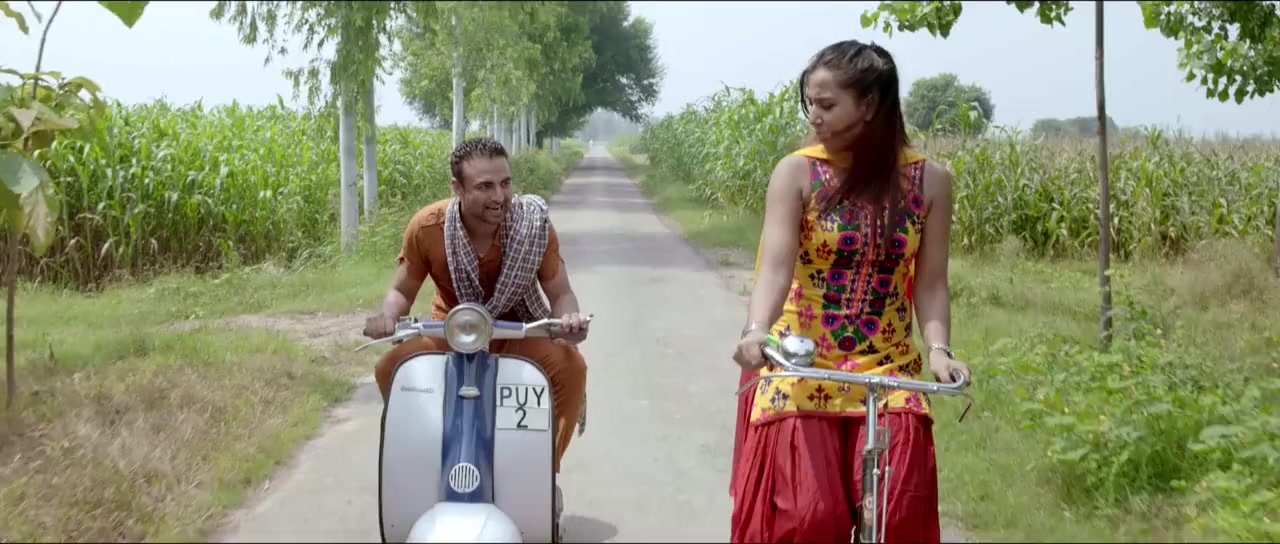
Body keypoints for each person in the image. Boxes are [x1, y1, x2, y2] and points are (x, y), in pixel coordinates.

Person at [728, 40, 972, 543]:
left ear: (869, 105)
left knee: (898, 514)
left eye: (826, 104)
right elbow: (775, 268)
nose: (813, 116)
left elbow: (930, 282)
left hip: (889, 365)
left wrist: (940, 351)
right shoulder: (797, 172)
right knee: (807, 518)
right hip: (801, 361)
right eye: (810, 103)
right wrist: (756, 331)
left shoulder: (930, 182)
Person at [362, 137, 590, 497]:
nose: (499, 196)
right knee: (391, 367)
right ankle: (433, 454)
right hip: (452, 331)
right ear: (457, 188)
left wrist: (568, 323)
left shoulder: (533, 225)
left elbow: (560, 293)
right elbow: (402, 291)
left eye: (506, 183)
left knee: (570, 368)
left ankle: (539, 474)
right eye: (485, 186)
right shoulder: (428, 228)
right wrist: (387, 316)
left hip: (518, 329)